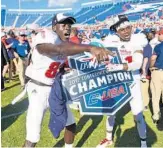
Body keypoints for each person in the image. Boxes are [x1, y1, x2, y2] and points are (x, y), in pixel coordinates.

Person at [23, 13, 114, 147]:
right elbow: (58, 50)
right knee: (33, 136)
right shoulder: (44, 37)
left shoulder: (64, 43)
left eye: (69, 25)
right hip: (38, 89)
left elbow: (64, 55)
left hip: (55, 89)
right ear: (54, 27)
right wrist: (90, 47)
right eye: (63, 25)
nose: (67, 28)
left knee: (70, 124)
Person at [97, 15, 148, 148]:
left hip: (133, 80)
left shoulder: (137, 40)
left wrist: (118, 67)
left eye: (128, 28)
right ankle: (108, 138)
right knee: (111, 112)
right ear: (116, 31)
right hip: (116, 81)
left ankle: (144, 142)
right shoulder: (110, 42)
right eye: (122, 29)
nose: (126, 31)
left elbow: (137, 63)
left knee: (138, 114)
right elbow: (102, 57)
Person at [150, 28, 163, 126]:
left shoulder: (159, 46)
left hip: (158, 72)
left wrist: (151, 66)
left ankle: (156, 116)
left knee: (155, 95)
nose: (158, 36)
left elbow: (153, 58)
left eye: (159, 34)